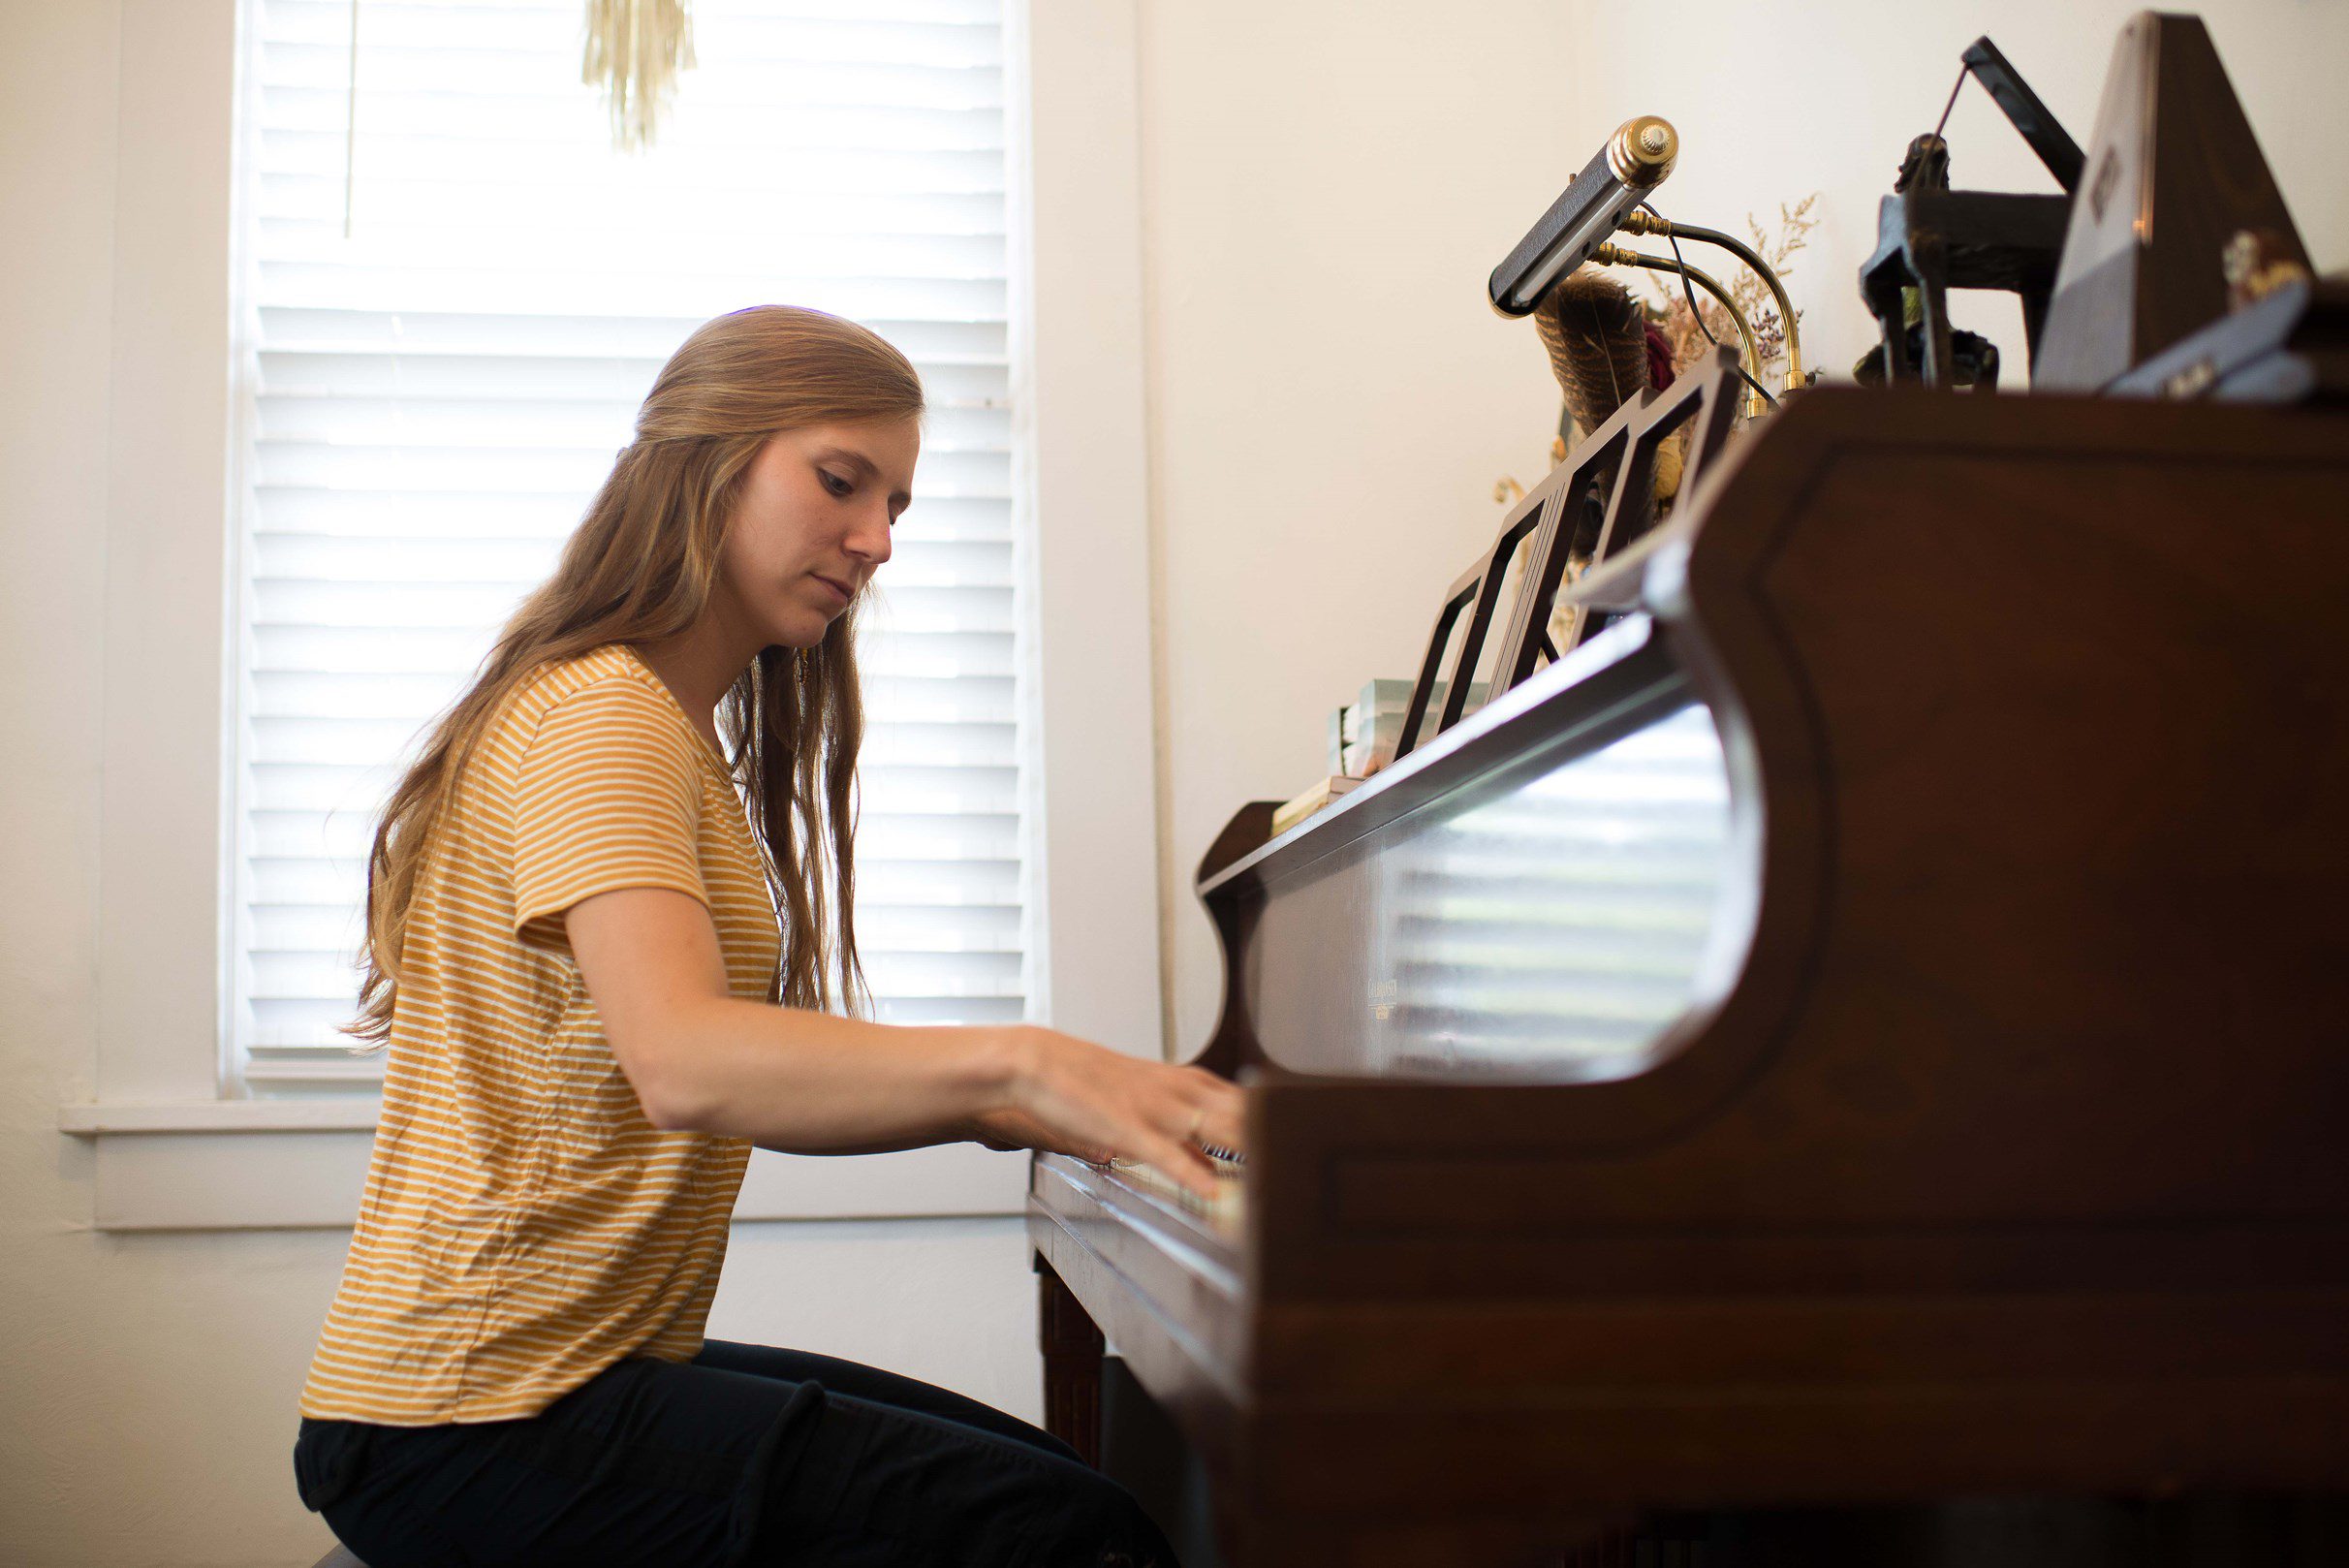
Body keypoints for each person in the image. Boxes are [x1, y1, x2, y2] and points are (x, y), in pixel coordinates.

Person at [291, 304, 1240, 1568]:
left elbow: (719, 1053)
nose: (877, 539)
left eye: (896, 503)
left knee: (1071, 1487)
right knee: (1067, 1534)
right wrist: (1024, 1067)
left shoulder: (646, 718)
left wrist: (1069, 1104)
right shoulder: (601, 712)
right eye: (841, 481)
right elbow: (685, 1059)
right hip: (467, 1409)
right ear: (707, 459)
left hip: (524, 1377)